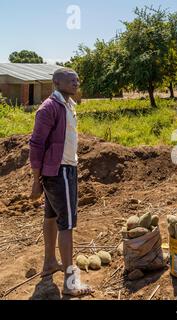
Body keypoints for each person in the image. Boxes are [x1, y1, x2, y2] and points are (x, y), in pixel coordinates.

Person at [29, 68, 93, 297]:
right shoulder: (49, 108)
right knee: (66, 224)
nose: (76, 81)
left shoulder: (67, 104)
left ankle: (49, 263)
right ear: (56, 82)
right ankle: (70, 282)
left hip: (62, 169)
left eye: (77, 78)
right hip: (60, 172)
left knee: (51, 217)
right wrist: (35, 181)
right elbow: (36, 144)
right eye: (70, 78)